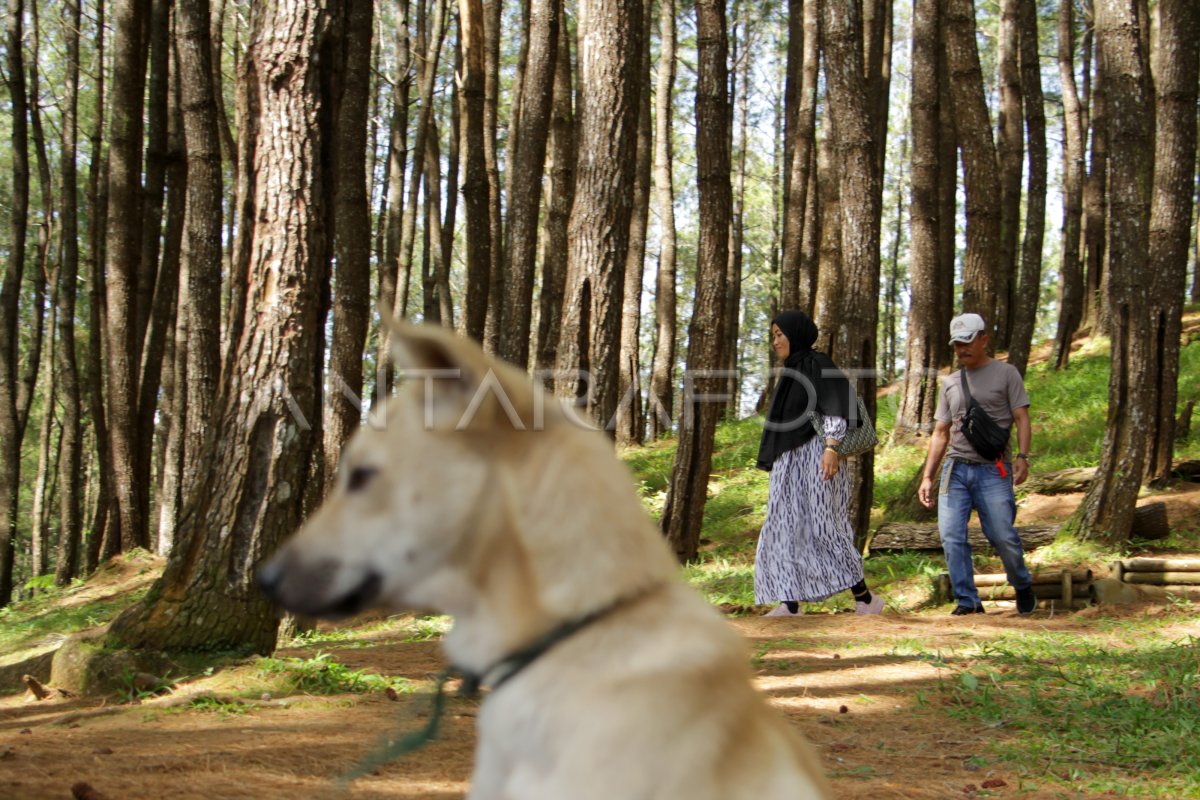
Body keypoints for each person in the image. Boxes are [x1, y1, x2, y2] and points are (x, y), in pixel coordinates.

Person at [754, 310, 884, 617]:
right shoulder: (791, 373)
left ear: (795, 334)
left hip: (818, 456)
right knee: (783, 525)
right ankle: (790, 602)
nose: (775, 341)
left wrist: (831, 447)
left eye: (779, 334)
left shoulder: (816, 364)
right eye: (772, 335)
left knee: (825, 527)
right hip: (790, 462)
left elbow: (835, 408)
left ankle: (865, 599)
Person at [918, 312, 1037, 616]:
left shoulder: (1007, 374)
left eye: (968, 342)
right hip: (955, 470)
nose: (962, 349)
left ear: (984, 339)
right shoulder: (951, 383)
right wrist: (928, 476)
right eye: (957, 344)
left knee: (1001, 534)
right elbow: (940, 433)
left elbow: (1022, 418)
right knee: (951, 535)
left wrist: (1023, 457)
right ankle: (967, 601)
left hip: (993, 470)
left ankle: (1022, 583)